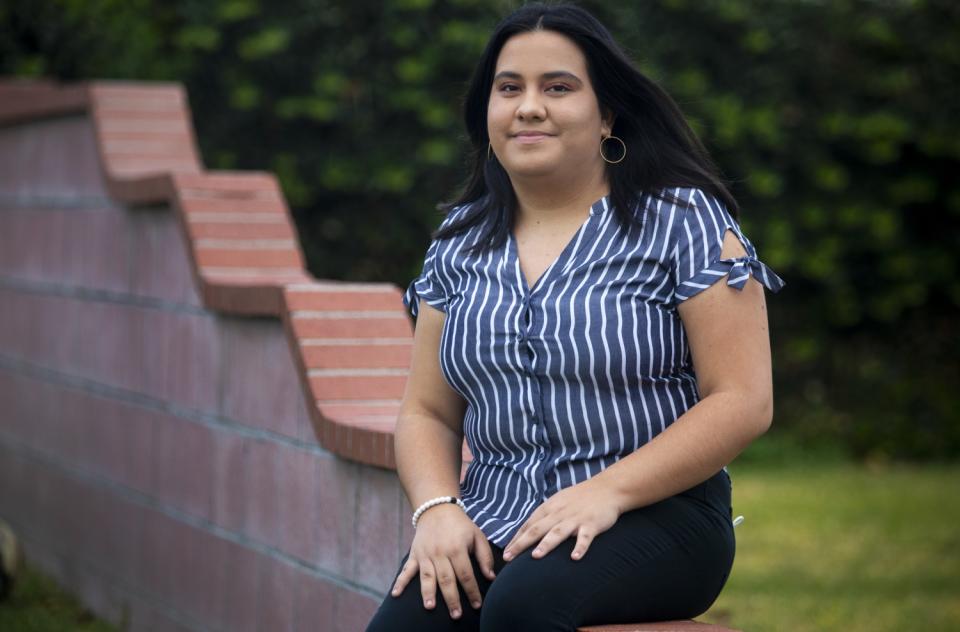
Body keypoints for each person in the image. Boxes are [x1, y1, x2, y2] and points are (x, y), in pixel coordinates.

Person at [366, 3, 784, 631]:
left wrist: (605, 491)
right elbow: (426, 411)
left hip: (656, 513)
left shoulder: (682, 222)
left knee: (523, 607)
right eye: (509, 89)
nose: (529, 106)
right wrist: (436, 509)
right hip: (499, 515)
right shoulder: (458, 242)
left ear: (606, 114)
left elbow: (743, 400)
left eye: (557, 87)